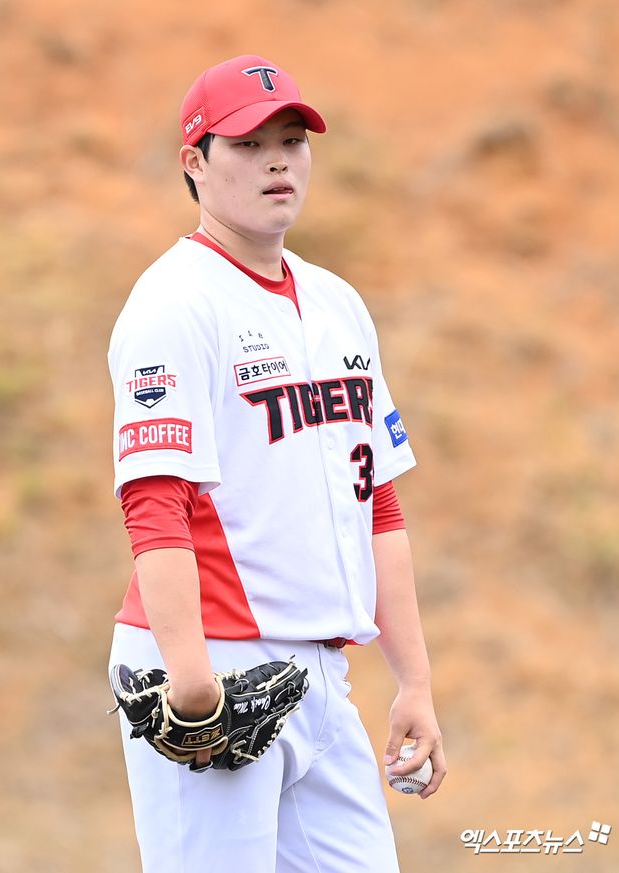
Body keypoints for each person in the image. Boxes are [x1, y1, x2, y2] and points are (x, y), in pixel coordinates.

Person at [108, 53, 446, 873]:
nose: (277, 161)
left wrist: (415, 681)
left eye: (292, 141)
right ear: (194, 162)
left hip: (322, 673)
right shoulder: (173, 303)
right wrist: (191, 678)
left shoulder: (338, 303)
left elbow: (377, 504)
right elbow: (155, 502)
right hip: (215, 665)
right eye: (248, 143)